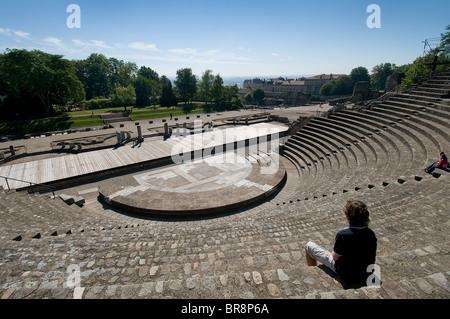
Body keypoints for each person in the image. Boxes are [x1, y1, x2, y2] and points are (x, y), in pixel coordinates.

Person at [305, 200, 377, 284]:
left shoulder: (343, 235)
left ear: (347, 216)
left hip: (346, 274)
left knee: (309, 246)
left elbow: (335, 257)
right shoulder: (371, 234)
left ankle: (313, 272)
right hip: (366, 274)